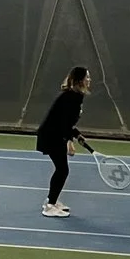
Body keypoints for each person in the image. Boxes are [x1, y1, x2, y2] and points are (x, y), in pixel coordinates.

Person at [33, 66, 96, 218]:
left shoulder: (75, 95)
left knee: (62, 169)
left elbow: (67, 122)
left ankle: (51, 201)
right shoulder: (70, 97)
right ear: (80, 80)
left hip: (56, 134)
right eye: (87, 77)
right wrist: (69, 141)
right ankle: (49, 206)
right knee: (62, 170)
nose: (89, 80)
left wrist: (77, 135)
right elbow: (62, 123)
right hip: (51, 135)